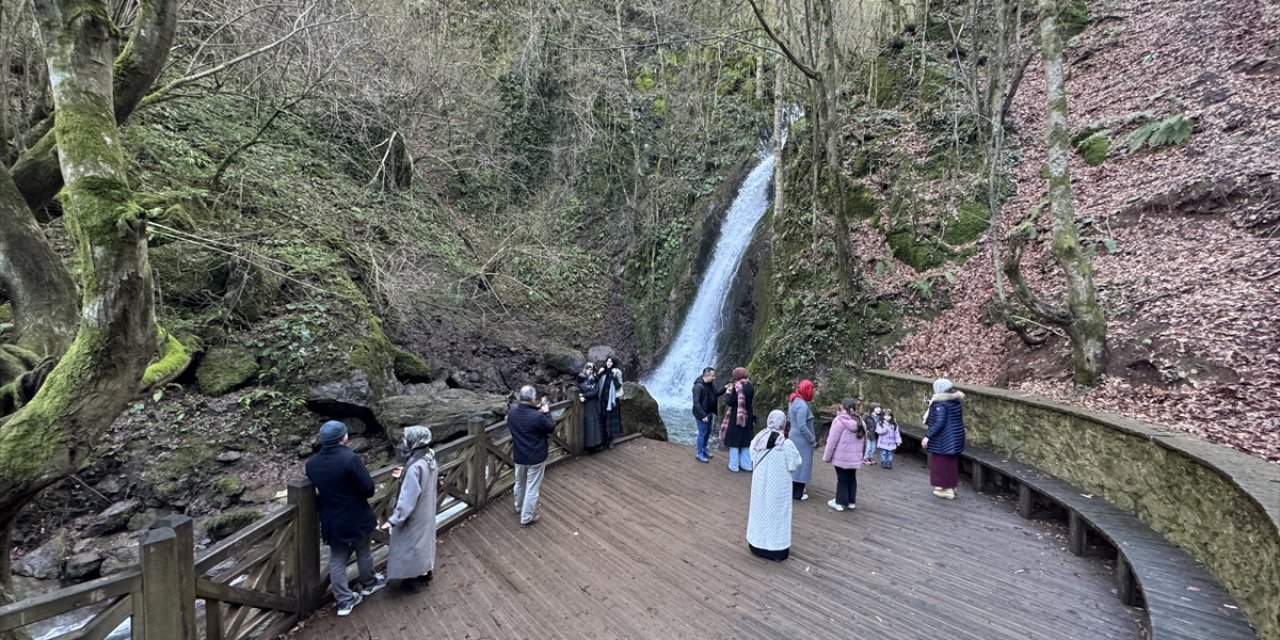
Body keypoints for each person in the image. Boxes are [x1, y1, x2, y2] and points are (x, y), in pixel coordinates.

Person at [304, 420, 386, 616]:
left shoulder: (312, 464)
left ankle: (344, 600)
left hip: (332, 518)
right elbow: (368, 489)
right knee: (364, 551)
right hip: (356, 515)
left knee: (337, 559)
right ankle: (368, 582)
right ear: (343, 437)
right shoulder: (350, 459)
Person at [382, 426, 438, 593]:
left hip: (414, 513)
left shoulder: (414, 467)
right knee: (423, 542)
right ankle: (426, 571)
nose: (403, 441)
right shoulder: (429, 456)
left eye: (406, 438)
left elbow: (408, 498)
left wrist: (395, 519)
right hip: (427, 508)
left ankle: (411, 580)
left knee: (409, 545)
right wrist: (405, 473)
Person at [745, 410, 802, 561]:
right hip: (778, 486)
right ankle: (776, 549)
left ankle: (756, 545)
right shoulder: (786, 443)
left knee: (759, 512)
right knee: (776, 515)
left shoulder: (758, 439)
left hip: (759, 482)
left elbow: (752, 455)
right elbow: (794, 463)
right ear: (783, 424)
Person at [508, 385, 556, 526]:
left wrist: (538, 412)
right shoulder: (538, 416)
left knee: (519, 483)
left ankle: (518, 507)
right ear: (533, 398)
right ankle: (526, 517)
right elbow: (550, 428)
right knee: (532, 488)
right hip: (536, 457)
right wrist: (546, 412)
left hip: (519, 455)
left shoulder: (512, 412)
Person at [923, 378, 966, 500]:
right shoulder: (955, 401)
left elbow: (939, 423)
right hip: (954, 438)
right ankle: (950, 486)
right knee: (950, 463)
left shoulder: (939, 404)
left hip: (943, 439)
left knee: (941, 464)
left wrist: (927, 436)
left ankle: (947, 490)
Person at [822, 398, 866, 512]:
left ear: (843, 407)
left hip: (841, 457)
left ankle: (840, 502)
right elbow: (865, 441)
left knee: (842, 479)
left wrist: (827, 457)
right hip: (855, 457)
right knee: (852, 478)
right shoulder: (860, 421)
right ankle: (851, 501)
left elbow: (832, 441)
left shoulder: (840, 421)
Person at [719, 367, 756, 472]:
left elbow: (730, 402)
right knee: (745, 441)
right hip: (747, 416)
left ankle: (734, 465)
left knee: (734, 440)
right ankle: (746, 465)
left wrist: (727, 393)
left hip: (736, 417)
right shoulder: (750, 386)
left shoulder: (736, 387)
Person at [787, 379, 816, 500]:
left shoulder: (794, 400)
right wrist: (812, 439)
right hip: (801, 440)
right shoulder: (802, 406)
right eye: (812, 389)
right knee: (802, 464)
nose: (813, 392)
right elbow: (802, 426)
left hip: (794, 436)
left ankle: (793, 489)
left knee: (794, 462)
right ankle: (797, 493)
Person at [691, 367, 723, 463]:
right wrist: (702, 415)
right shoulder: (698, 386)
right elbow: (696, 402)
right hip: (702, 414)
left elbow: (716, 393)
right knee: (702, 433)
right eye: (712, 376)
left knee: (708, 431)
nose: (714, 378)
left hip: (709, 412)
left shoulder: (710, 384)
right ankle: (699, 453)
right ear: (707, 375)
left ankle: (704, 448)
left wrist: (725, 389)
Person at [577, 363, 605, 452]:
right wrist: (582, 396)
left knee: (596, 424)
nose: (590, 371)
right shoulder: (580, 379)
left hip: (594, 404)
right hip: (586, 405)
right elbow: (578, 389)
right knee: (588, 424)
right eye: (588, 369)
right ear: (585, 369)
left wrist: (584, 395)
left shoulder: (595, 379)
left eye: (591, 369)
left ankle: (598, 444)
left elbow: (595, 392)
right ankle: (589, 445)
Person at [598, 356, 624, 449]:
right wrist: (599, 373)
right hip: (603, 400)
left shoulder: (617, 372)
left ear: (614, 363)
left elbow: (618, 386)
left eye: (611, 362)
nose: (609, 363)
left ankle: (610, 440)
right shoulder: (603, 371)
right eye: (608, 361)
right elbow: (597, 383)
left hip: (612, 401)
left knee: (611, 421)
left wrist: (614, 377)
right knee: (603, 419)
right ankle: (603, 440)